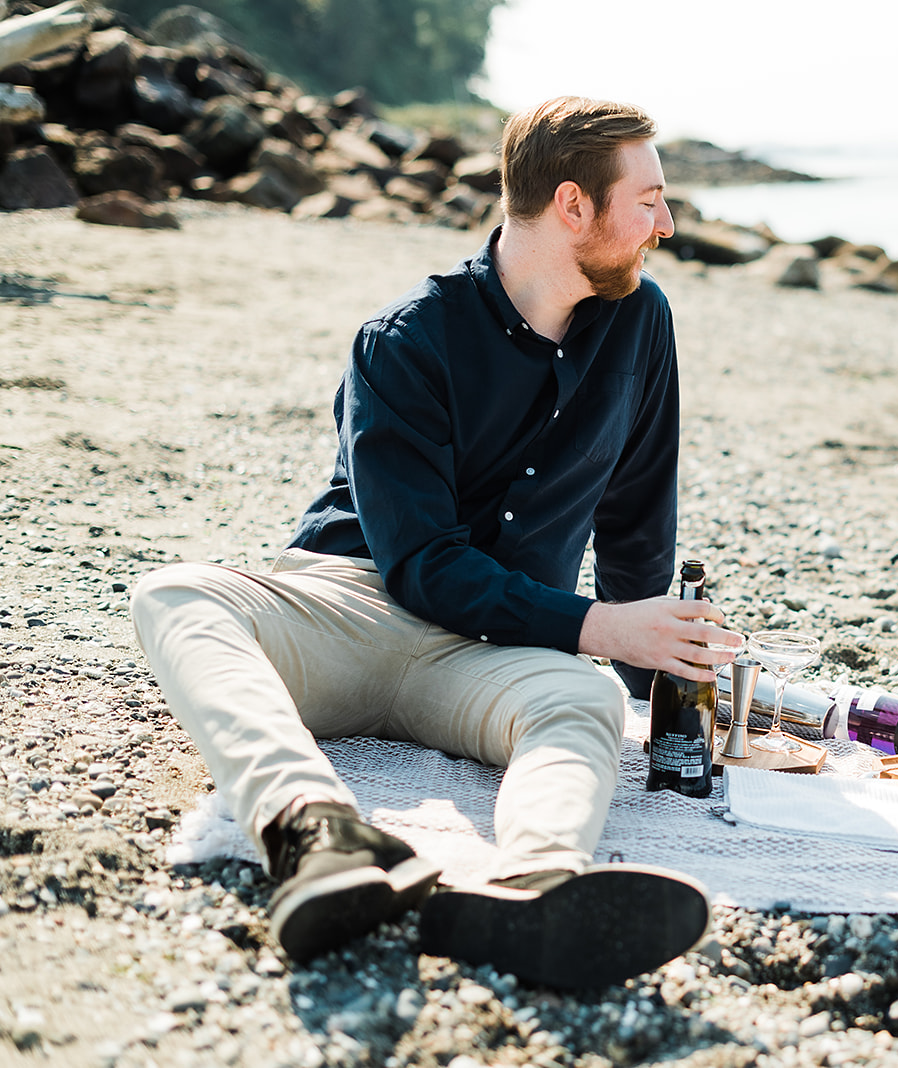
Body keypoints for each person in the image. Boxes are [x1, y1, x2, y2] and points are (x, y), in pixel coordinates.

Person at [130, 96, 743, 986]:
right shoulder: (405, 340)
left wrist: (670, 686)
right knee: (174, 595)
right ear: (574, 206)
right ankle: (315, 832)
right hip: (355, 606)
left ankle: (536, 888)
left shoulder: (642, 322)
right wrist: (601, 629)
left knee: (586, 704)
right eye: (647, 201)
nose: (667, 224)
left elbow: (635, 531)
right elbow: (421, 565)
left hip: (494, 651)